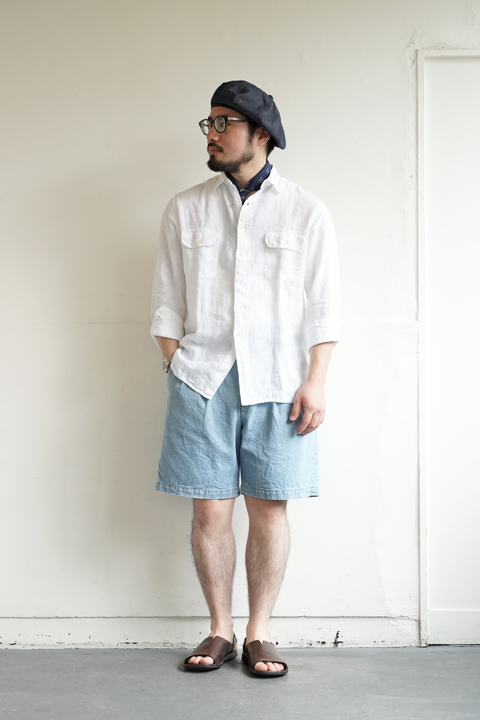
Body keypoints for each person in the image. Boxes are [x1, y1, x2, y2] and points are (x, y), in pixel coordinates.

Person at [150, 80, 342, 677]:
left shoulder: (306, 211)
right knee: (209, 512)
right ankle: (220, 630)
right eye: (207, 123)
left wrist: (317, 380)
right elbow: (166, 303)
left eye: (222, 123)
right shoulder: (185, 208)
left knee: (269, 511)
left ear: (260, 133)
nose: (210, 134)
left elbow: (324, 307)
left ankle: (259, 632)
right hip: (201, 381)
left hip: (280, 384)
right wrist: (176, 366)